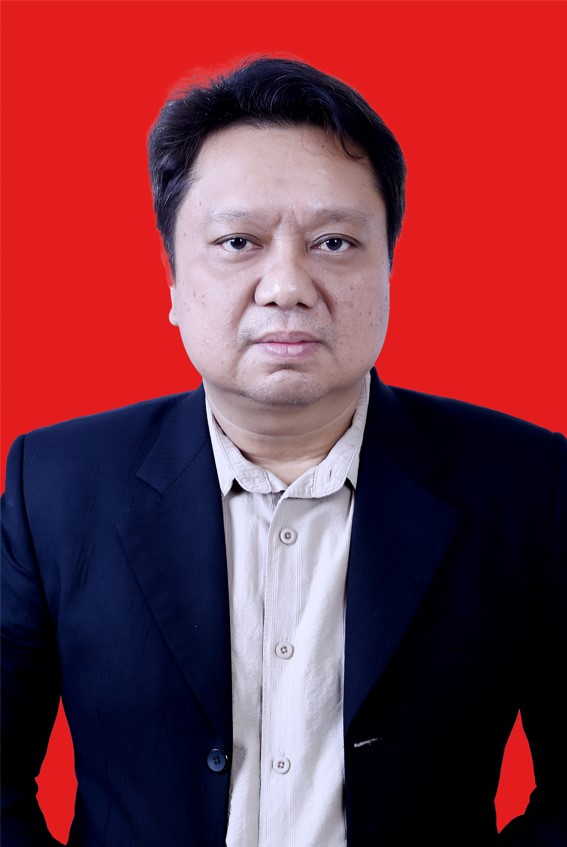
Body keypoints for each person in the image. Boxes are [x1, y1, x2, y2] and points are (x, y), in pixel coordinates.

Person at [1, 55, 566, 847]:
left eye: (334, 241)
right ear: (172, 278)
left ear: (389, 266)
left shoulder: (526, 484)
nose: (286, 285)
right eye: (238, 241)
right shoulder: (56, 487)